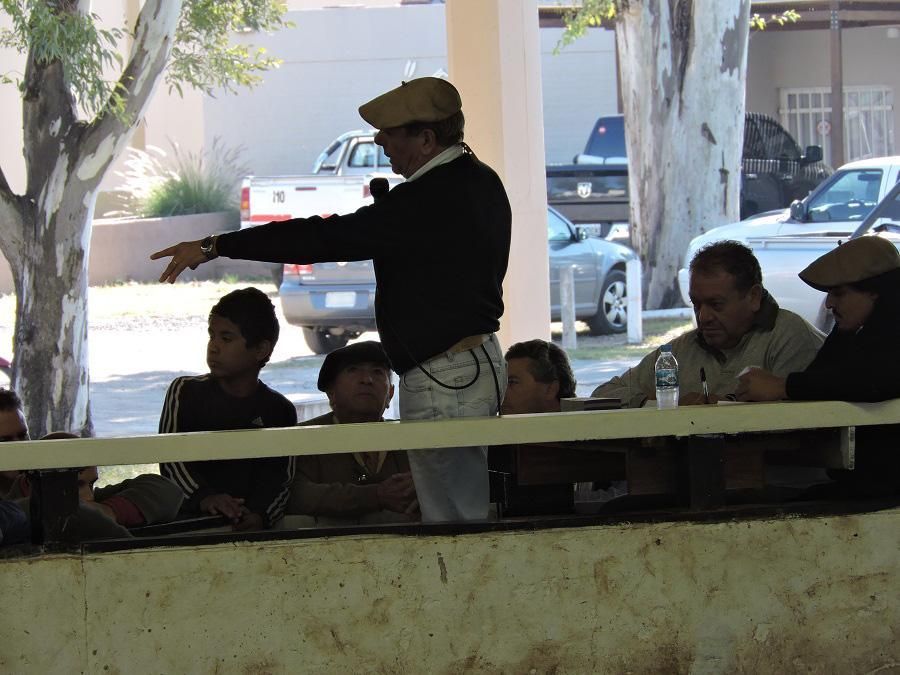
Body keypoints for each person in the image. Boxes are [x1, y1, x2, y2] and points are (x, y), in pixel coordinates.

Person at [151, 77, 511, 523]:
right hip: (470, 362)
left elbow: (324, 238)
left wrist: (217, 245)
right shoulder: (480, 180)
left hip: (445, 372)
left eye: (392, 133)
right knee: (459, 504)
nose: (380, 141)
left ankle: (461, 591)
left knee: (451, 517)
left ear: (426, 138)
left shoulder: (425, 199)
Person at [592, 241, 824, 407]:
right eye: (696, 304)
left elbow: (801, 423)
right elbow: (603, 394)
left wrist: (725, 411)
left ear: (753, 297)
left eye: (716, 304)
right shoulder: (681, 350)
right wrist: (657, 404)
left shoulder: (789, 336)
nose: (703, 317)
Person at [159, 288, 297, 531]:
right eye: (211, 336)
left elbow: (280, 480)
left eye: (226, 338)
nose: (213, 347)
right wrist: (205, 497)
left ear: (261, 350)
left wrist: (259, 515)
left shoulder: (279, 410)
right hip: (190, 521)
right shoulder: (185, 391)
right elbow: (171, 459)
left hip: (251, 525)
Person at [737, 236, 900, 403]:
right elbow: (821, 374)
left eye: (838, 293)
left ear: (874, 291)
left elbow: (873, 381)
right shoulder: (849, 331)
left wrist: (783, 387)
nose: (829, 304)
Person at [287, 341, 417, 525]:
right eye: (353, 370)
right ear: (331, 393)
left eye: (378, 372)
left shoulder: (411, 436)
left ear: (390, 394)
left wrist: (422, 486)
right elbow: (296, 495)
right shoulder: (306, 436)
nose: (367, 380)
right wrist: (376, 495)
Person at [501, 339, 577, 415]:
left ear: (551, 389)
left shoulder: (580, 425)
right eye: (501, 383)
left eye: (512, 382)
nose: (501, 392)